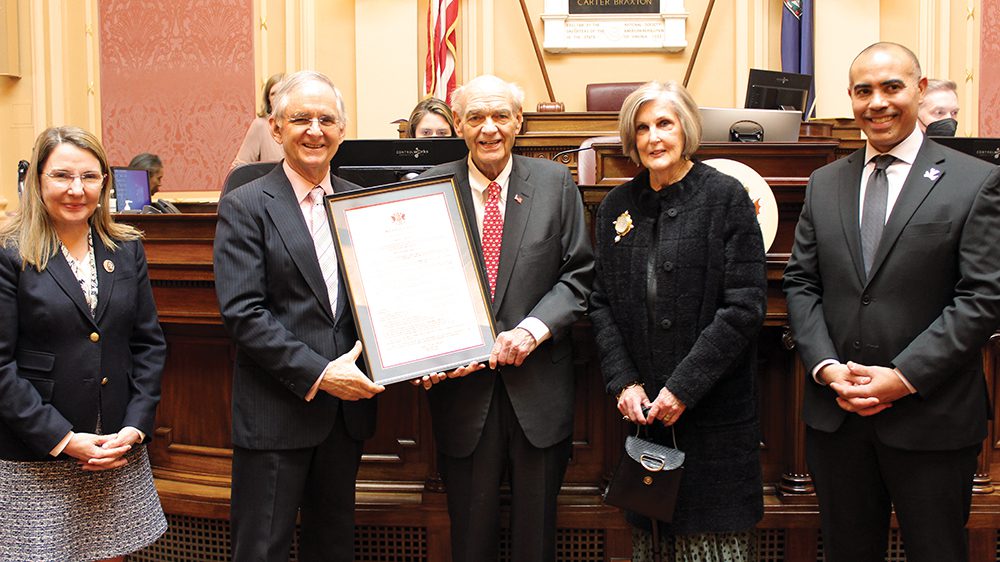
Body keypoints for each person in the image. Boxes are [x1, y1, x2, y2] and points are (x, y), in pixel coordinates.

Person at [783, 42, 1000, 562]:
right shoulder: (824, 183)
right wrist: (827, 367)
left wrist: (902, 378)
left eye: (891, 87)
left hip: (932, 416)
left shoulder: (975, 181)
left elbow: (982, 297)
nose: (876, 103)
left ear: (920, 91)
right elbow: (801, 283)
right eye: (863, 91)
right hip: (839, 418)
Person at [413, 75, 594, 562]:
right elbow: (414, 285)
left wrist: (531, 331)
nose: (488, 128)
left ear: (519, 122)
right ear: (458, 124)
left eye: (499, 116)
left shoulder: (555, 184)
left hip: (538, 392)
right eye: (475, 117)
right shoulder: (430, 189)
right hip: (463, 395)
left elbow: (578, 276)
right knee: (469, 539)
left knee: (536, 539)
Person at [590, 81, 766, 561]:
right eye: (642, 127)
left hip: (713, 418)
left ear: (686, 128)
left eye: (664, 124)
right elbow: (600, 301)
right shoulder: (615, 207)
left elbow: (744, 306)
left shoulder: (726, 198)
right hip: (644, 417)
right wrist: (623, 381)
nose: (653, 138)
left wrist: (682, 389)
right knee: (654, 543)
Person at [213, 70, 384, 562]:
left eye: (326, 119)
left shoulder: (362, 204)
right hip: (277, 410)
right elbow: (243, 313)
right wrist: (320, 373)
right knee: (261, 550)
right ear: (275, 127)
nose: (314, 130)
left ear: (343, 129)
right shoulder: (246, 203)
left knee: (332, 547)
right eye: (300, 118)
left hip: (344, 418)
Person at [0, 126, 167, 560]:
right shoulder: (10, 252)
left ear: (104, 183)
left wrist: (135, 426)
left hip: (114, 447)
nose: (77, 190)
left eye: (90, 177)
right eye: (62, 176)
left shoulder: (126, 248)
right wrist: (63, 438)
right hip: (38, 451)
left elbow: (148, 344)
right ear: (37, 180)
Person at [231, 72, 285, 167]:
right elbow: (239, 167)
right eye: (273, 94)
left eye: (282, 92)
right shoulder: (260, 125)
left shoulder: (302, 125)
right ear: (268, 100)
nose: (277, 98)